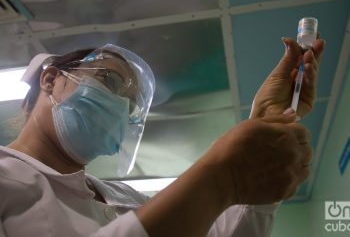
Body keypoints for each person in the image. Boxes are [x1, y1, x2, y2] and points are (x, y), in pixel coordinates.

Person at [0, 36, 325, 237]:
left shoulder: (124, 196)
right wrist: (218, 178)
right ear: (51, 79)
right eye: (110, 81)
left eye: (129, 105)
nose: (118, 107)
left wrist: (267, 123)